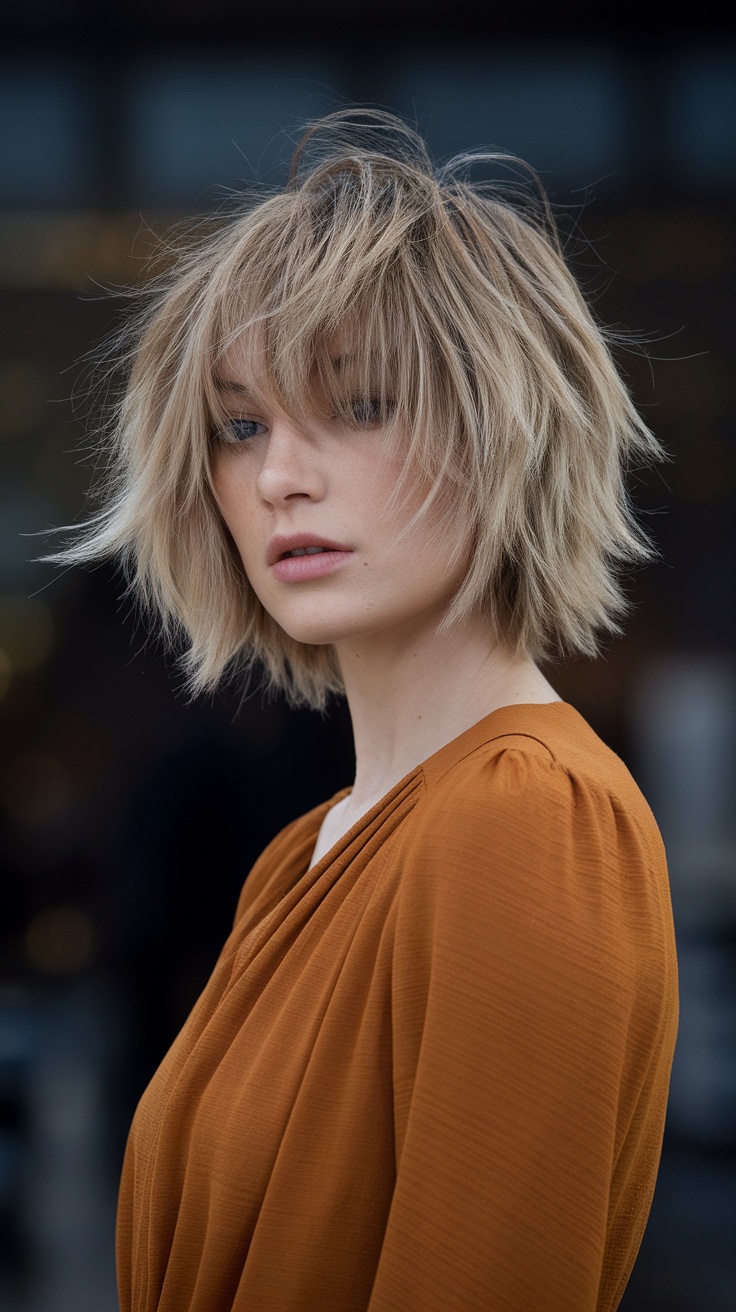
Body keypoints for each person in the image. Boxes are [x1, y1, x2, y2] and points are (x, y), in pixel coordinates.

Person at [56, 111, 678, 1311]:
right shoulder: (307, 851)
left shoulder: (529, 822)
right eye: (241, 426)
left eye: (359, 403)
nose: (279, 473)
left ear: (502, 424)